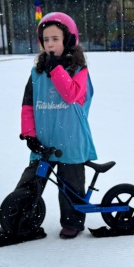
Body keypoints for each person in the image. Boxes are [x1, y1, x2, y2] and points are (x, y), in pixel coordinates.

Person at [11, 12, 97, 239]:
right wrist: (29, 134)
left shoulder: (79, 71)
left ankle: (72, 222)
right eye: (46, 39)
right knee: (30, 181)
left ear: (68, 40)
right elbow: (28, 105)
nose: (49, 44)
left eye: (55, 39)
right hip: (44, 139)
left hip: (71, 139)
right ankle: (16, 217)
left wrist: (56, 69)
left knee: (71, 185)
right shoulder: (37, 73)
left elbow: (71, 95)